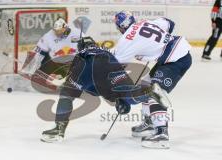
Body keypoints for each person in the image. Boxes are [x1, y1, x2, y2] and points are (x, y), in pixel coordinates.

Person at [40, 36, 170, 143]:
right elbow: (118, 83)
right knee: (127, 93)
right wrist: (121, 101)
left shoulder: (80, 54)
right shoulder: (108, 52)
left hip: (86, 64)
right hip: (110, 64)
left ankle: (58, 130)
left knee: (66, 94)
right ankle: (149, 91)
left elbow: (74, 75)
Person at [113, 11, 192, 148]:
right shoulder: (144, 23)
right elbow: (170, 23)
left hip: (176, 59)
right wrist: (154, 45)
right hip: (174, 54)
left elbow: (116, 66)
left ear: (120, 26)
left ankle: (162, 134)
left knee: (154, 91)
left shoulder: (127, 39)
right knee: (145, 84)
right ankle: (149, 123)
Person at [21, 18, 81, 92]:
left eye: (59, 31)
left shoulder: (77, 33)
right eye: (55, 31)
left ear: (65, 28)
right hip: (57, 63)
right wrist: (29, 69)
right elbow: (38, 52)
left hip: (75, 62)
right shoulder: (48, 36)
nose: (57, 33)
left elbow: (86, 46)